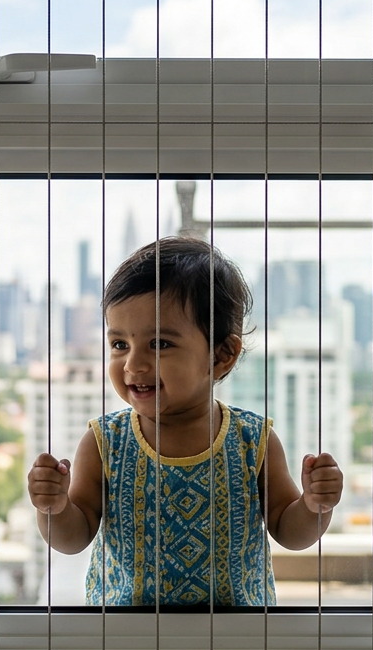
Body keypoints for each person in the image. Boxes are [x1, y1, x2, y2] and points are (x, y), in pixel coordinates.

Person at [26, 237, 344, 606]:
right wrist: (54, 508)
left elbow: (290, 531)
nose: (133, 365)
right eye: (119, 345)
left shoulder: (252, 440)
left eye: (160, 344)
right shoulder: (105, 442)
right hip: (127, 635)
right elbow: (73, 538)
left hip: (234, 634)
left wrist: (314, 506)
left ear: (221, 355)